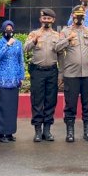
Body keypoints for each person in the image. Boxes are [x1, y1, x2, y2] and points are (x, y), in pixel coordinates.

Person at [56, 5, 88, 142]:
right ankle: (70, 132)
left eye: (81, 16)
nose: (79, 18)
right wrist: (68, 39)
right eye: (77, 16)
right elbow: (57, 48)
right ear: (72, 16)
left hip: (87, 72)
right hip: (71, 73)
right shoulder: (65, 31)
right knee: (70, 104)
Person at [24, 8, 61, 142]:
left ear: (53, 20)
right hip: (37, 71)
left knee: (50, 101)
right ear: (40, 19)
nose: (46, 20)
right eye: (44, 18)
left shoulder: (57, 35)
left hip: (52, 71)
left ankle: (47, 130)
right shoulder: (34, 33)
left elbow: (61, 55)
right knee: (37, 101)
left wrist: (61, 73)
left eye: (49, 18)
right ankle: (38, 130)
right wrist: (34, 41)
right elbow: (25, 48)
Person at [0, 21, 25, 142]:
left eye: (11, 28)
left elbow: (21, 60)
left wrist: (21, 76)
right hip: (2, 80)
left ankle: (9, 132)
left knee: (11, 107)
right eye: (7, 28)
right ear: (3, 29)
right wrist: (7, 45)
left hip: (14, 80)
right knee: (2, 107)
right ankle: (1, 133)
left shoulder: (18, 43)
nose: (9, 30)